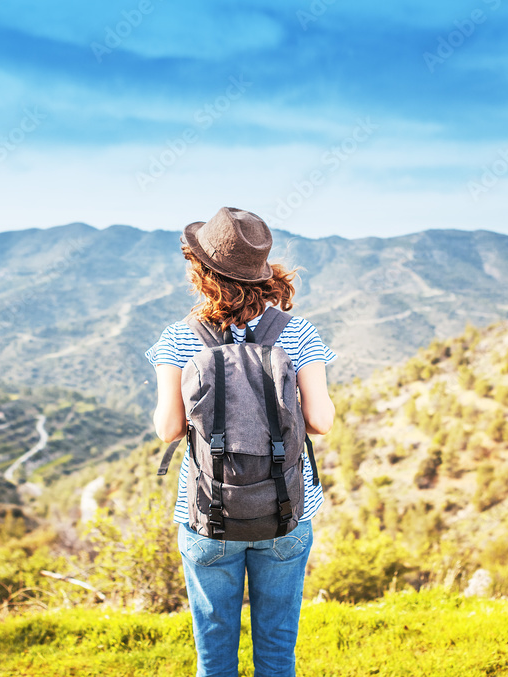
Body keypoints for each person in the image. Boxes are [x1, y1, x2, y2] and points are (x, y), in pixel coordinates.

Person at [145, 206, 336, 677]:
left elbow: (168, 429)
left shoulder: (178, 338)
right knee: (276, 652)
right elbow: (322, 421)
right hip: (287, 510)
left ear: (202, 271)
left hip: (207, 512)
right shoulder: (299, 332)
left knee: (214, 658)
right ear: (263, 273)